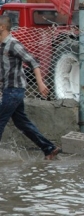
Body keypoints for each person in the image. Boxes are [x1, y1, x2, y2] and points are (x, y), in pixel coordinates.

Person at [0, 16, 61, 160]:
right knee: (22, 123)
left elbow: (33, 62)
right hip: (9, 89)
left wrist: (40, 83)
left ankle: (49, 148)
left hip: (15, 90)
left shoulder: (14, 44)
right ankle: (49, 148)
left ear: (2, 27)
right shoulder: (2, 45)